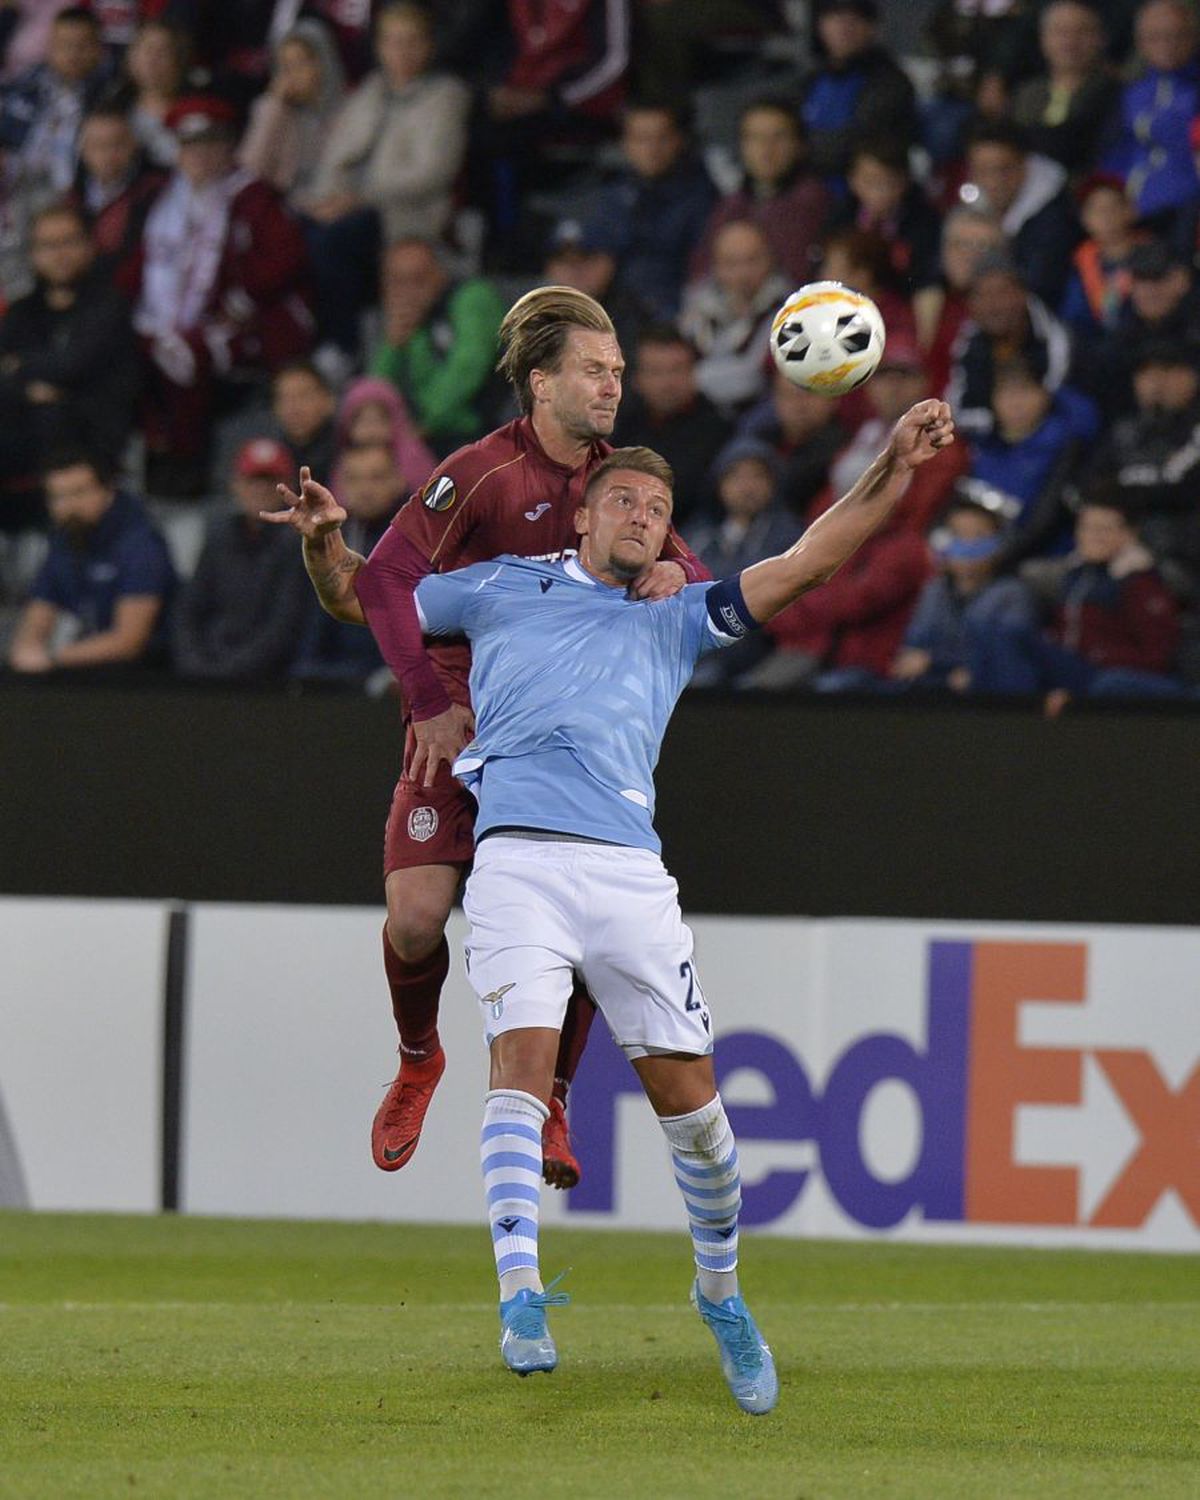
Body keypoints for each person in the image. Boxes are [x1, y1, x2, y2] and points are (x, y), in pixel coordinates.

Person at [393, 401, 953, 1394]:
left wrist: (893, 468)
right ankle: (519, 1291)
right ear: (581, 517)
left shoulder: (674, 611)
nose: (643, 518)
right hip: (518, 860)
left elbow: (812, 559)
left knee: (696, 1117)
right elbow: (379, 598)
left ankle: (721, 1294)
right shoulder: (498, 589)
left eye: (658, 508)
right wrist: (321, 551)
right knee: (518, 1064)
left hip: (628, 879)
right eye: (623, 502)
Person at [264, 286, 709, 1187]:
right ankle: (419, 1056)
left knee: (577, 918)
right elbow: (377, 588)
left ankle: (550, 1099)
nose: (612, 386)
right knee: (418, 918)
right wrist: (424, 693)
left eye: (619, 372)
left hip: (561, 739)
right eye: (595, 369)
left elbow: (682, 568)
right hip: (460, 717)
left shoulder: (613, 479)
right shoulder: (478, 474)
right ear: (541, 383)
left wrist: (674, 568)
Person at [131, 93, 315, 497]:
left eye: (209, 145)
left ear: (227, 147)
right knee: (133, 350)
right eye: (189, 146)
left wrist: (240, 298)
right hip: (169, 316)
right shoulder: (163, 197)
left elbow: (286, 259)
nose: (198, 157)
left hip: (251, 324)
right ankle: (153, 457)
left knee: (187, 352)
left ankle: (190, 464)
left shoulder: (251, 197)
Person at [969, 495, 1182, 699]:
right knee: (999, 632)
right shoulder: (1074, 575)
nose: (1093, 537)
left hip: (1108, 673)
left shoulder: (1141, 582)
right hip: (1071, 667)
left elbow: (1157, 655)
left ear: (1128, 534)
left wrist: (1096, 656)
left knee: (1109, 683)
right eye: (1087, 528)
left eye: (1103, 529)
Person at [0, 201, 140, 505]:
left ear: (89, 246)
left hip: (95, 458)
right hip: (25, 457)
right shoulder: (22, 312)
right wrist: (27, 392)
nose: (59, 253)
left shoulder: (110, 306)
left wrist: (20, 368)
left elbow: (73, 365)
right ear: (33, 254)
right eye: (48, 245)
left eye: (69, 242)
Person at [7, 445, 174, 675]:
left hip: (150, 679)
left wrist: (53, 658)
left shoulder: (141, 543)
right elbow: (38, 615)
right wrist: (27, 650)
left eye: (79, 492)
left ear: (108, 490)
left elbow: (129, 642)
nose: (69, 506)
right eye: (58, 497)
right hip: (85, 672)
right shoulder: (64, 539)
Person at [172, 436, 311, 683]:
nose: (259, 489)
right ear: (235, 484)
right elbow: (189, 612)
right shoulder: (218, 537)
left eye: (270, 482)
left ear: (289, 488)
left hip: (268, 683)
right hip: (206, 671)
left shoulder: (300, 545)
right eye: (252, 480)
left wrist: (229, 674)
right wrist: (194, 665)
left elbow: (284, 628)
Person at [578, 102, 716, 321]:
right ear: (625, 144)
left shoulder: (703, 199)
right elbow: (595, 266)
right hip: (615, 317)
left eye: (661, 138)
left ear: (678, 141)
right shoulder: (612, 198)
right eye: (641, 139)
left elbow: (705, 274)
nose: (652, 149)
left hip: (680, 316)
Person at [369, 237, 507, 456]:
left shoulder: (472, 298)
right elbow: (374, 393)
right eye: (397, 281)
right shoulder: (404, 320)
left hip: (481, 434)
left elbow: (466, 370)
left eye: (419, 279)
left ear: (440, 274)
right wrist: (392, 346)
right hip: (420, 439)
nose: (408, 290)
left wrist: (423, 424)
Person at [891, 489, 1037, 692]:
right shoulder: (934, 590)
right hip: (931, 691)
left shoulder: (1013, 593)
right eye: (959, 535)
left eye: (978, 535)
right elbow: (913, 650)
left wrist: (935, 661)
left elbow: (1004, 656)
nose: (968, 546)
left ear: (1000, 543)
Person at [692, 100, 831, 288]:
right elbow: (701, 272)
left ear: (799, 145)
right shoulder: (730, 205)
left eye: (778, 137)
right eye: (755, 138)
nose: (766, 149)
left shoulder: (815, 205)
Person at [611, 323, 732, 528]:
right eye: (656, 372)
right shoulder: (622, 423)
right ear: (637, 379)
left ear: (694, 373)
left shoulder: (717, 429)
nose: (667, 383)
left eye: (677, 370)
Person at [962, 120, 1081, 307]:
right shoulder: (970, 212)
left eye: (1003, 170)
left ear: (1025, 164)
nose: (993, 182)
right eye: (982, 171)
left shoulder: (1055, 221)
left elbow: (1040, 290)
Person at [679, 219, 790, 416]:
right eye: (731, 264)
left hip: (755, 412)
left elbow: (752, 377)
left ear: (770, 260)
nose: (742, 274)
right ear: (716, 266)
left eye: (752, 261)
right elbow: (681, 355)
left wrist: (686, 381)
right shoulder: (699, 300)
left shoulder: (786, 308)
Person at [1010, 0, 1121, 174]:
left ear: (1101, 39)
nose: (1070, 42)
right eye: (1060, 32)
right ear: (1043, 39)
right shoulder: (1025, 95)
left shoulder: (1114, 94)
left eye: (1082, 32)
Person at [71, 103, 167, 297]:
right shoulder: (71, 200)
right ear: (82, 150)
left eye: (117, 144)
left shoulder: (156, 192)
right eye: (97, 145)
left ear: (133, 145)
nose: (108, 154)